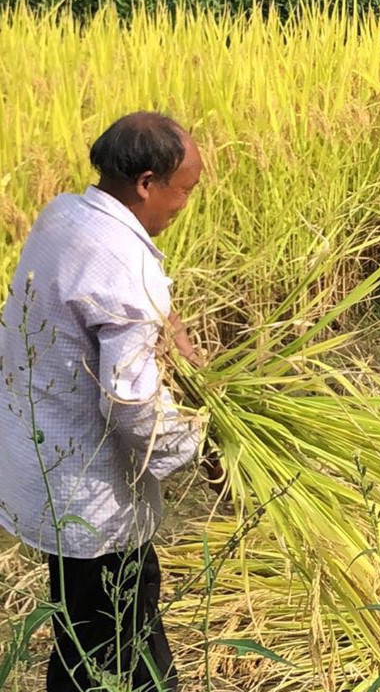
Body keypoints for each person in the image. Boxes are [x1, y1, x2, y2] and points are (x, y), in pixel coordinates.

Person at [0, 112, 208, 690]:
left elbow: (111, 305)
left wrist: (170, 328)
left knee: (82, 624)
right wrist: (199, 441)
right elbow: (131, 403)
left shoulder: (64, 215)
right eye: (183, 190)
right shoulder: (125, 262)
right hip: (89, 493)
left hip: (41, 453)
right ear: (146, 182)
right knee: (118, 637)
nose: (183, 205)